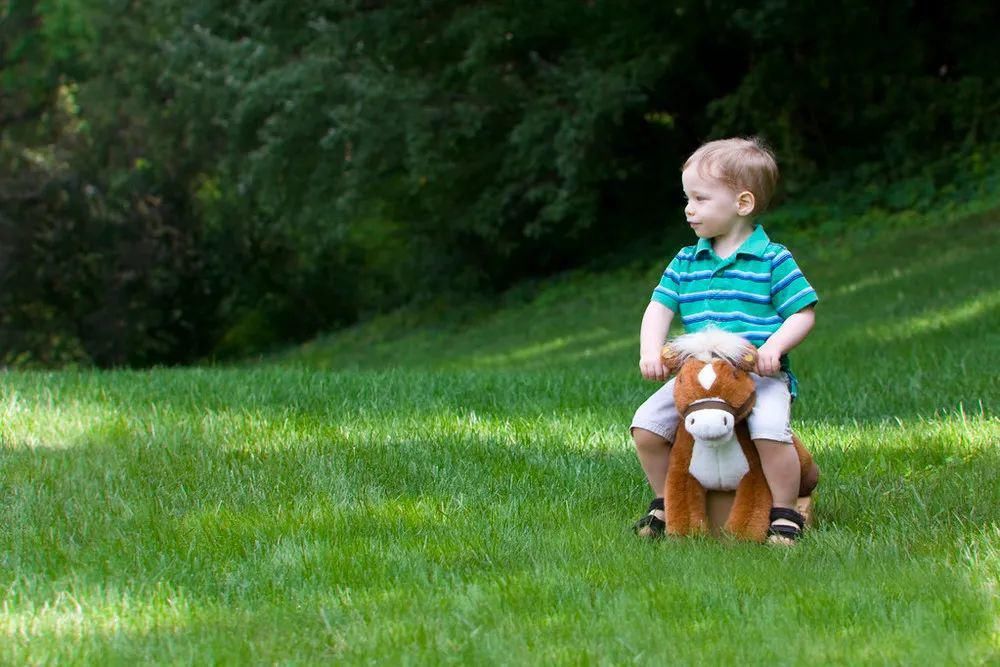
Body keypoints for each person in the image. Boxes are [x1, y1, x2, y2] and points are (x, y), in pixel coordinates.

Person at [630, 137, 818, 542]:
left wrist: (774, 348)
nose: (688, 208)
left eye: (700, 198)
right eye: (686, 197)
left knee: (769, 431)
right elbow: (658, 307)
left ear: (742, 203)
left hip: (758, 373)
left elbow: (802, 312)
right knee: (645, 426)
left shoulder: (772, 259)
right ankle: (665, 501)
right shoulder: (686, 260)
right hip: (696, 374)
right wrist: (650, 350)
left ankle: (785, 511)